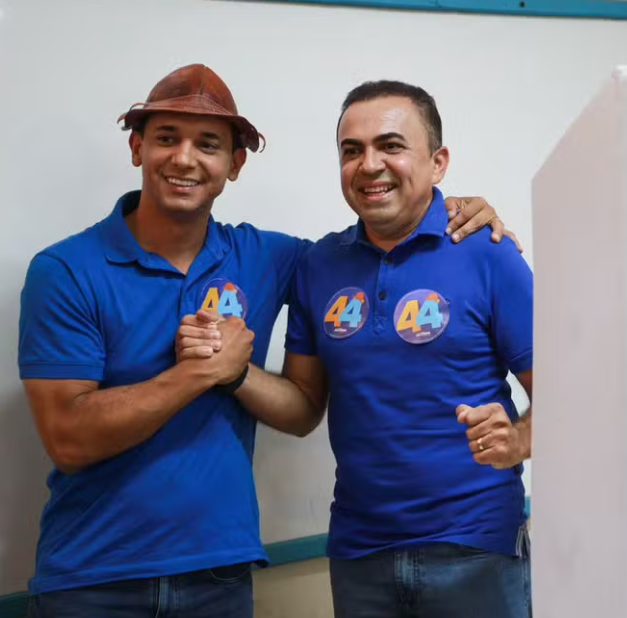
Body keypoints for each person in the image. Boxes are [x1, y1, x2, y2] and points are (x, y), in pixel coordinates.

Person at [17, 64, 514, 618]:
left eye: (208, 144)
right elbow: (69, 439)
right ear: (137, 148)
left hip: (219, 577)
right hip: (90, 581)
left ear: (234, 164)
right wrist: (198, 373)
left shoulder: (276, 259)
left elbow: (304, 406)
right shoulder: (66, 270)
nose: (184, 158)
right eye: (166, 138)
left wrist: (455, 210)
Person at [179, 79, 533, 618]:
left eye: (391, 146)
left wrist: (518, 441)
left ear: (438, 163)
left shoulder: (488, 252)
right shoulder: (319, 265)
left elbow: (570, 393)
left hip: (476, 549)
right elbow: (303, 405)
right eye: (352, 150)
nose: (369, 165)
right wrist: (234, 372)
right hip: (358, 555)